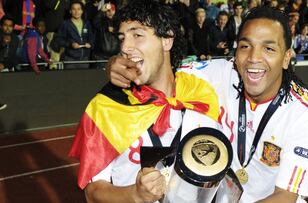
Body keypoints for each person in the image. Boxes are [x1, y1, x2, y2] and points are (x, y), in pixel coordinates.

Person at [107, 6, 308, 202]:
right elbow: (162, 71)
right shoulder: (220, 73)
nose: (253, 58)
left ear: (287, 56)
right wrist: (116, 64)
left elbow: (285, 197)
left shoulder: (307, 114)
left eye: (269, 48)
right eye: (245, 46)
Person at [69, 0, 225, 202]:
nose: (125, 47)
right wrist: (135, 195)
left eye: (137, 35)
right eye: (122, 38)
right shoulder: (106, 107)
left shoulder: (201, 92)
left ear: (167, 39)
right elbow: (93, 192)